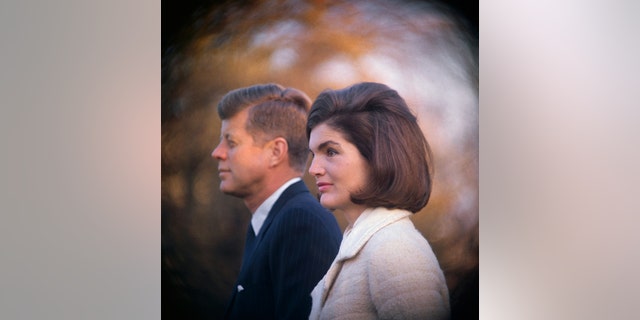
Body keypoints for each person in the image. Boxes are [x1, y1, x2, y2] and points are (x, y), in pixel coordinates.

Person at [307, 82, 450, 319]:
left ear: (377, 155)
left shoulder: (395, 249)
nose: (313, 169)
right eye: (314, 155)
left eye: (330, 151)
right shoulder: (365, 245)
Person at [210, 83, 342, 320]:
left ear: (275, 152)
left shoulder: (302, 224)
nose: (217, 152)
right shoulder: (271, 222)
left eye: (231, 142)